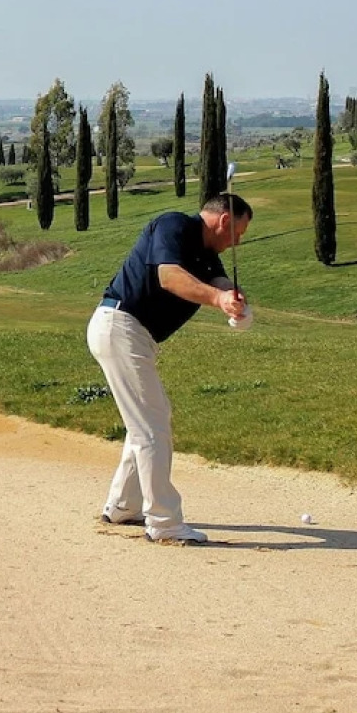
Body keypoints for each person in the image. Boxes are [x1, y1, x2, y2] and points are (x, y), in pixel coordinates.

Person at [88, 192, 253, 546]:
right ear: (224, 221)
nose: (238, 241)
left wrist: (234, 299)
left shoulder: (208, 255)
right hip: (120, 325)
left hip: (133, 333)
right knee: (152, 425)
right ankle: (163, 521)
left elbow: (220, 283)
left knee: (149, 419)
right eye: (238, 232)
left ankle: (121, 506)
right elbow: (169, 276)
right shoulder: (174, 225)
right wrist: (216, 299)